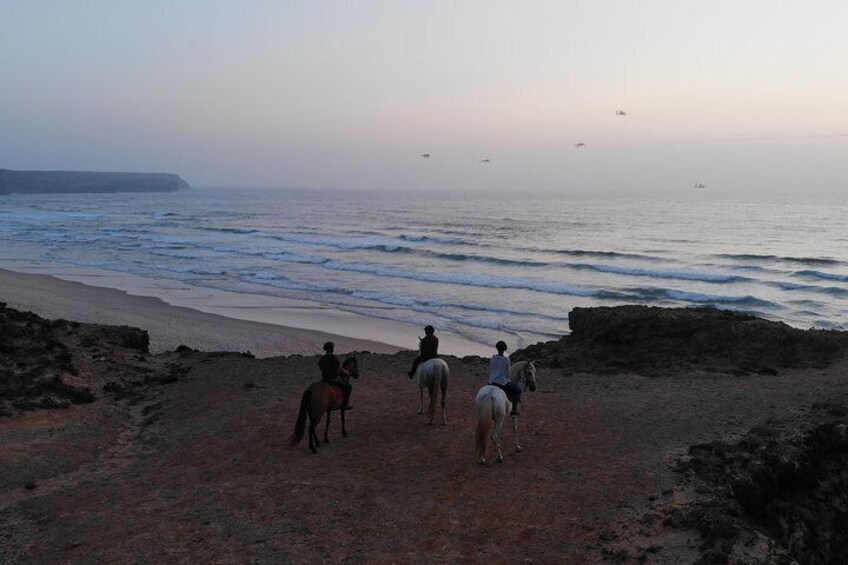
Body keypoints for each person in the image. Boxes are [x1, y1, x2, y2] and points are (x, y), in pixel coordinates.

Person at [488, 340, 522, 415]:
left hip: (491, 381)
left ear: (497, 348)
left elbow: (491, 369)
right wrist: (508, 379)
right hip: (501, 382)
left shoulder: (493, 358)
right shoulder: (506, 359)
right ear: (505, 349)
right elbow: (508, 373)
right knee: (518, 391)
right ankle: (514, 410)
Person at [318, 341, 352, 410]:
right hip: (333, 379)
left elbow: (321, 368)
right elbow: (339, 368)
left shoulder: (322, 359)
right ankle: (345, 404)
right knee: (348, 387)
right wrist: (347, 372)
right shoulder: (334, 358)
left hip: (324, 379)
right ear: (332, 349)